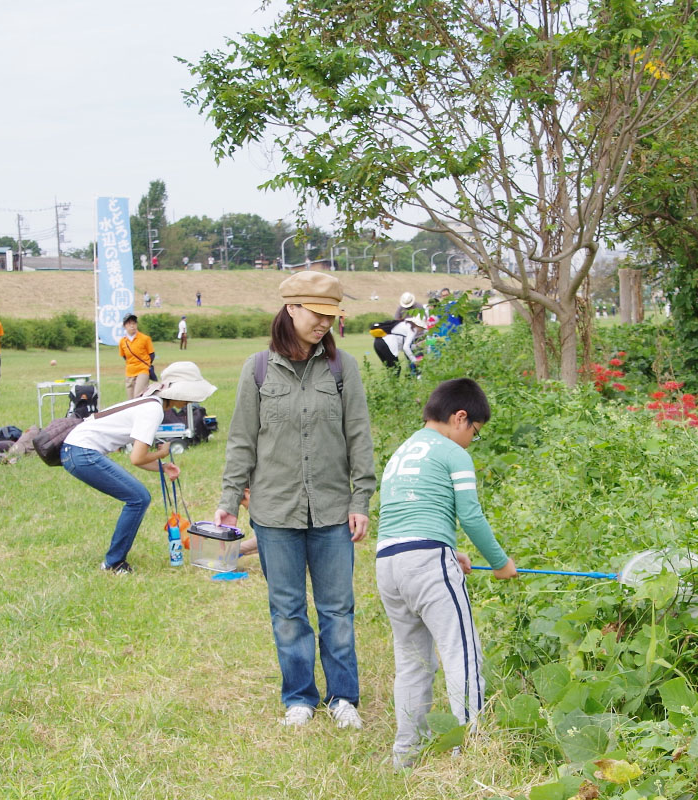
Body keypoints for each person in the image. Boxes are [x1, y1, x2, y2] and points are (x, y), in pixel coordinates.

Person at [214, 270, 375, 729]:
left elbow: (359, 438)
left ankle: (343, 697)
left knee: (337, 610)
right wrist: (229, 497)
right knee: (287, 611)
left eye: (332, 315)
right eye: (317, 314)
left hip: (331, 511)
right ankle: (299, 697)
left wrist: (360, 499)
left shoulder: (343, 369)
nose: (324, 323)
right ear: (292, 309)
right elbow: (242, 440)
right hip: (274, 512)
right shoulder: (258, 368)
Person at [375, 378, 518, 769]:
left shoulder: (403, 451)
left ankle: (405, 753)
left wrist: (448, 551)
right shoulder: (453, 453)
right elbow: (469, 514)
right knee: (462, 653)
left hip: (388, 562)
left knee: (411, 661)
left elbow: (408, 514)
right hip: (426, 561)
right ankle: (471, 749)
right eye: (475, 431)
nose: (473, 439)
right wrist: (502, 563)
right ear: (460, 417)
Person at [61, 362, 217, 573]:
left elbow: (138, 456)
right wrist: (161, 454)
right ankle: (113, 563)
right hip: (81, 452)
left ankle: (114, 560)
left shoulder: (150, 402)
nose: (191, 399)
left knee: (137, 497)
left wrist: (163, 467)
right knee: (138, 498)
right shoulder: (153, 410)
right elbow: (137, 457)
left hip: (75, 450)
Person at [118, 314, 156, 400]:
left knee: (138, 396)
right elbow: (124, 356)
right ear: (125, 326)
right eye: (129, 324)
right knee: (130, 400)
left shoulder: (145, 338)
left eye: (134, 323)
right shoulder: (122, 341)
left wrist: (145, 365)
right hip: (130, 371)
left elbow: (152, 355)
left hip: (142, 369)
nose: (132, 326)